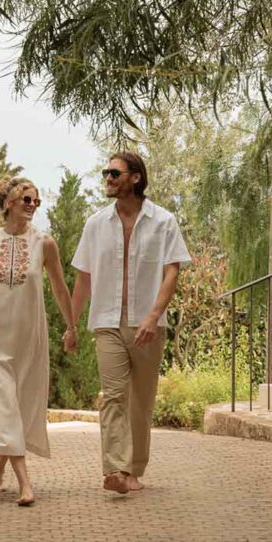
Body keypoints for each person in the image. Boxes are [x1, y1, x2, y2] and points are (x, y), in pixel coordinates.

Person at [67, 152, 190, 495]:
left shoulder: (163, 221)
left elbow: (172, 272)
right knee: (114, 397)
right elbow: (83, 279)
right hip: (106, 321)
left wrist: (153, 316)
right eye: (105, 173)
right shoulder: (95, 224)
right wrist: (71, 325)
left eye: (114, 173)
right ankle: (115, 469)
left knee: (141, 402)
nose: (107, 178)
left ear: (135, 178)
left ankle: (134, 469)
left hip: (147, 325)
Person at [0, 177, 77, 506]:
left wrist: (71, 327)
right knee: (3, 402)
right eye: (26, 199)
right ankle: (25, 484)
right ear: (9, 202)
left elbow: (60, 288)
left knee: (16, 405)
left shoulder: (45, 244)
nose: (32, 205)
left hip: (27, 336)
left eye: (36, 201)